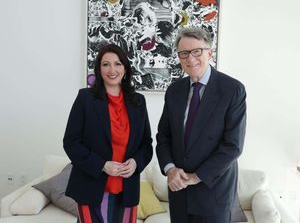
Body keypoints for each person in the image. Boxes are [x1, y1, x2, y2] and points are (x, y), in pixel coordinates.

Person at [156, 27, 246, 223]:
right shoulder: (174, 90)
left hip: (213, 192)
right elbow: (163, 136)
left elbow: (233, 146)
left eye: (197, 51)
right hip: (179, 191)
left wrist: (197, 176)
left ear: (209, 53)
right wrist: (170, 169)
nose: (190, 58)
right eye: (184, 53)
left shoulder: (232, 90)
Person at [63, 44, 153, 223]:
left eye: (118, 64)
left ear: (125, 68)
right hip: (90, 185)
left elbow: (146, 144)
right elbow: (71, 142)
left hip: (127, 187)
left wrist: (136, 162)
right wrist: (102, 165)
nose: (112, 70)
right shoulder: (85, 98)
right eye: (106, 64)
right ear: (99, 69)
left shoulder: (138, 101)